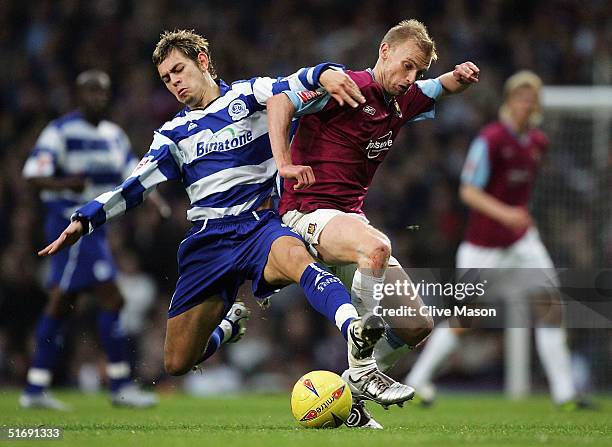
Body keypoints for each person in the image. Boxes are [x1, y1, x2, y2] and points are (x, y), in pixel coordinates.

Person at [38, 30, 416, 409]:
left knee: (299, 260)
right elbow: (134, 186)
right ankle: (227, 327)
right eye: (167, 79)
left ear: (202, 61)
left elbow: (289, 86)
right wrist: (85, 220)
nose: (175, 83)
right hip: (208, 242)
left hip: (258, 226)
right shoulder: (172, 135)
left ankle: (355, 332)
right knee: (177, 362)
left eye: (179, 70)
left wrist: (323, 74)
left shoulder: (247, 95)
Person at [266, 19, 480, 428]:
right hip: (306, 213)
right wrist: (284, 164)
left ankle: (348, 393)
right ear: (384, 51)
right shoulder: (346, 87)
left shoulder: (404, 99)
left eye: (417, 69)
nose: (410, 77)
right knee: (377, 245)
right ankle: (364, 369)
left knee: (417, 324)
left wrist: (461, 75)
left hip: (348, 221)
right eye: (406, 66)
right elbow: (279, 103)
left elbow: (441, 86)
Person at [405, 71, 584, 409]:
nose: (525, 105)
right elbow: (468, 191)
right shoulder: (490, 139)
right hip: (483, 245)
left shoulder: (537, 143)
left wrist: (516, 218)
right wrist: (506, 214)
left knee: (550, 307)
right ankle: (416, 381)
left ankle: (565, 394)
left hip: (521, 241)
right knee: (465, 320)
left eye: (531, 99)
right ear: (509, 101)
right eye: (520, 98)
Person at [21, 70, 159, 409]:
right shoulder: (61, 132)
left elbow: (134, 173)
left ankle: (37, 387)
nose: (98, 97)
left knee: (70, 304)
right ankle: (118, 386)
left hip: (96, 228)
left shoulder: (114, 135)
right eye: (91, 91)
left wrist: (155, 198)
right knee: (105, 299)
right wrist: (67, 184)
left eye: (103, 92)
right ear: (78, 95)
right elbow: (33, 175)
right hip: (69, 226)